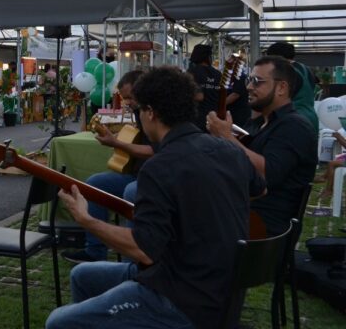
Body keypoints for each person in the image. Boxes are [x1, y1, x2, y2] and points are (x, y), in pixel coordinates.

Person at [46, 67, 265, 329]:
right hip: (222, 290)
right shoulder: (228, 150)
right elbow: (260, 189)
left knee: (58, 322)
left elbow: (143, 250)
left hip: (184, 299)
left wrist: (86, 219)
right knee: (83, 275)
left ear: (150, 112)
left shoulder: (160, 167)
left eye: (139, 109)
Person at [207, 55, 318, 236]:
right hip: (241, 214)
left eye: (257, 81)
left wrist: (226, 136)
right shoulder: (260, 123)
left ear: (281, 88)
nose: (249, 87)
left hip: (262, 225)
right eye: (249, 80)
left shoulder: (294, 126)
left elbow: (266, 174)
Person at [61, 70, 155, 263]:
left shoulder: (157, 112)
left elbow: (155, 150)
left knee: (131, 191)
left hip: (154, 178)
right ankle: (95, 252)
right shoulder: (139, 112)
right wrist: (117, 139)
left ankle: (132, 262)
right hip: (136, 174)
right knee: (94, 184)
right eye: (124, 98)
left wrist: (118, 143)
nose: (127, 102)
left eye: (130, 97)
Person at [265, 42, 318, 134]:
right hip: (311, 116)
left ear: (276, 57)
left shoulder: (286, 71)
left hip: (294, 119)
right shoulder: (306, 69)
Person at [187, 43, 221, 132]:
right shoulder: (218, 74)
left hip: (197, 120)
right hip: (215, 118)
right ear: (208, 57)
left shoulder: (192, 72)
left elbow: (199, 96)